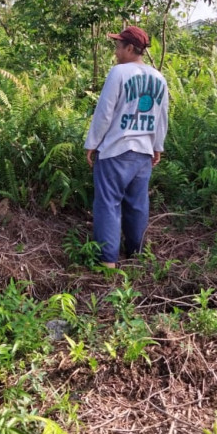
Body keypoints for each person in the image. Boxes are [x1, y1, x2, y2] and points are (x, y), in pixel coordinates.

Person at [84, 26, 169, 268]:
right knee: (137, 206)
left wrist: (92, 144)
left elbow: (104, 113)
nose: (116, 51)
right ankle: (136, 256)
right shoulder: (159, 78)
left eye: (118, 46)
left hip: (115, 151)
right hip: (143, 154)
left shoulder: (119, 73)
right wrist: (157, 146)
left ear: (130, 48)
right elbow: (162, 116)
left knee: (108, 204)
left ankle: (108, 263)